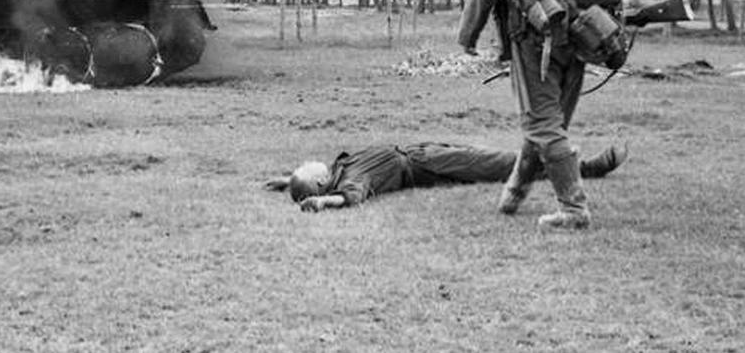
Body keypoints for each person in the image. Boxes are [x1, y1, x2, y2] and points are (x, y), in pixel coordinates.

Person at [457, 0, 623, 231]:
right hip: (583, 36)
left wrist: (468, 34)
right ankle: (514, 194)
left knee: (543, 121)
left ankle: (574, 209)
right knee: (549, 120)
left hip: (533, 37)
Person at [265, 140, 627, 212]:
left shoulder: (337, 168)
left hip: (425, 151)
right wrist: (320, 202)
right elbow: (349, 198)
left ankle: (574, 167)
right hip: (432, 165)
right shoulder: (348, 180)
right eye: (304, 169)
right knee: (504, 163)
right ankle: (587, 169)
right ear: (318, 183)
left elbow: (311, 179)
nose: (307, 161)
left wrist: (288, 182)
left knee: (501, 160)